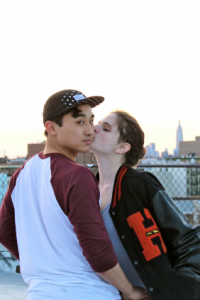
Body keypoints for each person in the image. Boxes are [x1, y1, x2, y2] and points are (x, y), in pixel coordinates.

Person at [0, 90, 150, 300]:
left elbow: (5, 232)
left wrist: (42, 263)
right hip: (87, 292)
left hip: (39, 293)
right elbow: (97, 250)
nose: (90, 130)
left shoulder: (21, 174)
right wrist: (131, 291)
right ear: (51, 128)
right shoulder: (78, 175)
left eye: (91, 121)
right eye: (80, 123)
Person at [91, 109, 200, 300]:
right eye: (97, 123)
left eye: (106, 128)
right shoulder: (89, 188)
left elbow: (188, 240)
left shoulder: (139, 184)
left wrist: (180, 289)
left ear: (122, 147)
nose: (95, 128)